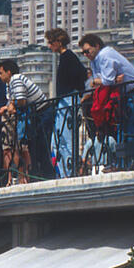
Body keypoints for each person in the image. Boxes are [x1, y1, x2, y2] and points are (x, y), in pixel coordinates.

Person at [79, 33, 134, 170]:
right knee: (133, 129)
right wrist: (104, 81)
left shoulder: (104, 55)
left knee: (130, 128)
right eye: (83, 53)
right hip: (131, 92)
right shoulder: (95, 60)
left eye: (87, 51)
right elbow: (106, 80)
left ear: (97, 46)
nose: (86, 54)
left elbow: (106, 81)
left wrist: (98, 81)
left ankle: (126, 164)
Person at [46, 28, 88, 178]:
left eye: (51, 42)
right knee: (58, 138)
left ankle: (69, 170)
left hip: (68, 99)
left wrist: (76, 91)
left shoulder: (68, 57)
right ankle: (64, 170)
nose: (49, 46)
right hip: (65, 100)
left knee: (65, 136)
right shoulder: (65, 57)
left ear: (59, 42)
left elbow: (81, 75)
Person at [0, 59, 47, 185]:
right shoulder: (10, 84)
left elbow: (21, 101)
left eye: (1, 73)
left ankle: (32, 174)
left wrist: (12, 106)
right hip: (33, 113)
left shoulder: (16, 79)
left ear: (8, 72)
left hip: (41, 112)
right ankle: (29, 174)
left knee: (31, 145)